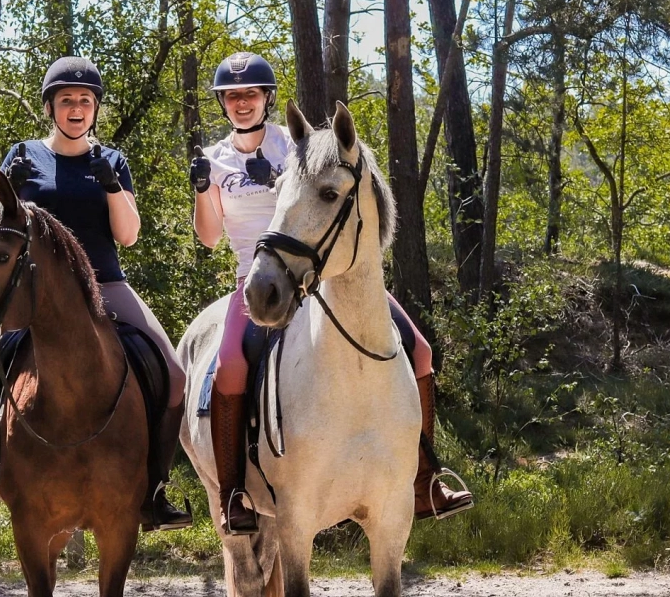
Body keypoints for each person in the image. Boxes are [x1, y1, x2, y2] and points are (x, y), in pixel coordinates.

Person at [190, 51, 473, 536]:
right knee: (231, 366)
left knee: (419, 349)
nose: (241, 104)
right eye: (232, 97)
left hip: (325, 272)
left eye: (250, 95)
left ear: (267, 99)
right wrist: (202, 190)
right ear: (223, 104)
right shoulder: (216, 161)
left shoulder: (295, 143)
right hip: (256, 278)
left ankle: (424, 478)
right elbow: (210, 237)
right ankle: (233, 492)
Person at [0, 55, 192, 532]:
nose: (76, 108)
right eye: (66, 100)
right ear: (50, 107)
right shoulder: (22, 156)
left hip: (106, 285)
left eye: (84, 100)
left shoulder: (112, 159)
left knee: (176, 376)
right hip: (33, 296)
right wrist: (5, 194)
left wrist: (112, 185)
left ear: (95, 108)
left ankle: (154, 491)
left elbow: (129, 235)